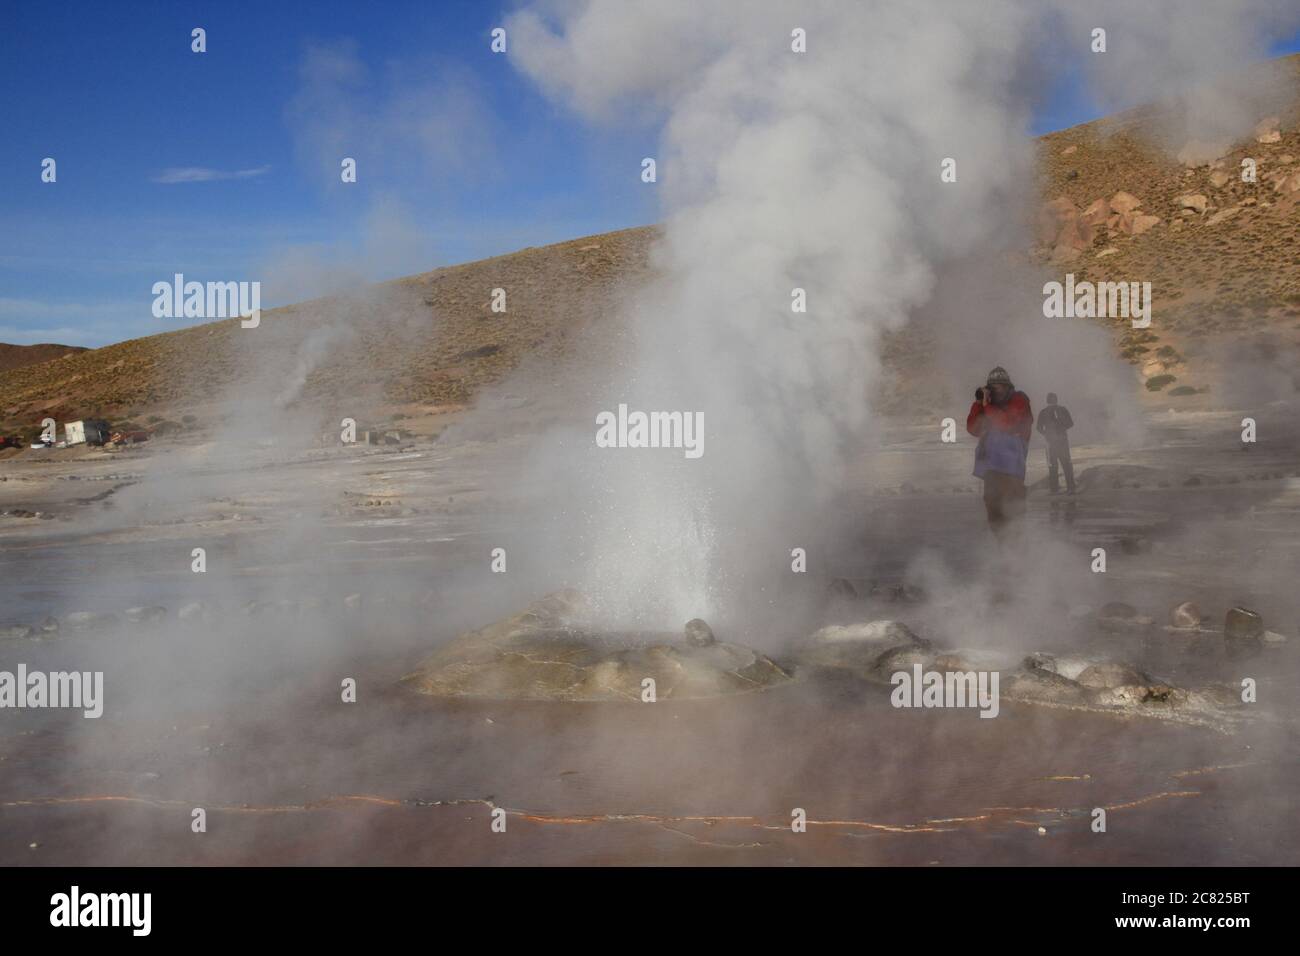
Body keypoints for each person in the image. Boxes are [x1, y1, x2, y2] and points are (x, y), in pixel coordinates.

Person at [966, 366, 1033, 534]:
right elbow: (973, 429)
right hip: (992, 466)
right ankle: (1002, 553)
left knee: (1013, 509)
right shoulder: (989, 405)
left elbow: (1007, 423)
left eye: (998, 387)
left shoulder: (1019, 399)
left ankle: (1019, 552)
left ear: (1007, 386)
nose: (994, 391)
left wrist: (987, 405)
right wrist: (978, 403)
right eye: (991, 387)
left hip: (1012, 467)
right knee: (994, 509)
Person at [1036, 392, 1076, 495]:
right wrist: (1062, 429)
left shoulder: (1043, 412)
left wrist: (1046, 434)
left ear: (1047, 400)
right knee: (1066, 464)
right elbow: (1071, 423)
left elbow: (1038, 428)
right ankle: (1071, 488)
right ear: (1056, 400)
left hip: (1050, 443)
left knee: (1052, 466)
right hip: (1062, 441)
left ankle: (1054, 489)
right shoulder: (1062, 409)